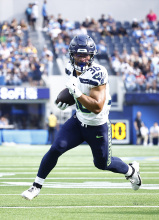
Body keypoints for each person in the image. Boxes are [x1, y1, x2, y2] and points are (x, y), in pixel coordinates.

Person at [21, 34, 142, 200]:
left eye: (86, 55)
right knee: (56, 148)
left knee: (102, 164)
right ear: (72, 55)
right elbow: (74, 92)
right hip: (78, 121)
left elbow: (97, 107)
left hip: (98, 125)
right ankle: (36, 186)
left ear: (92, 56)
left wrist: (76, 92)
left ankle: (131, 171)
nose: (82, 59)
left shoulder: (99, 73)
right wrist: (65, 98)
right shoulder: (70, 69)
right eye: (79, 55)